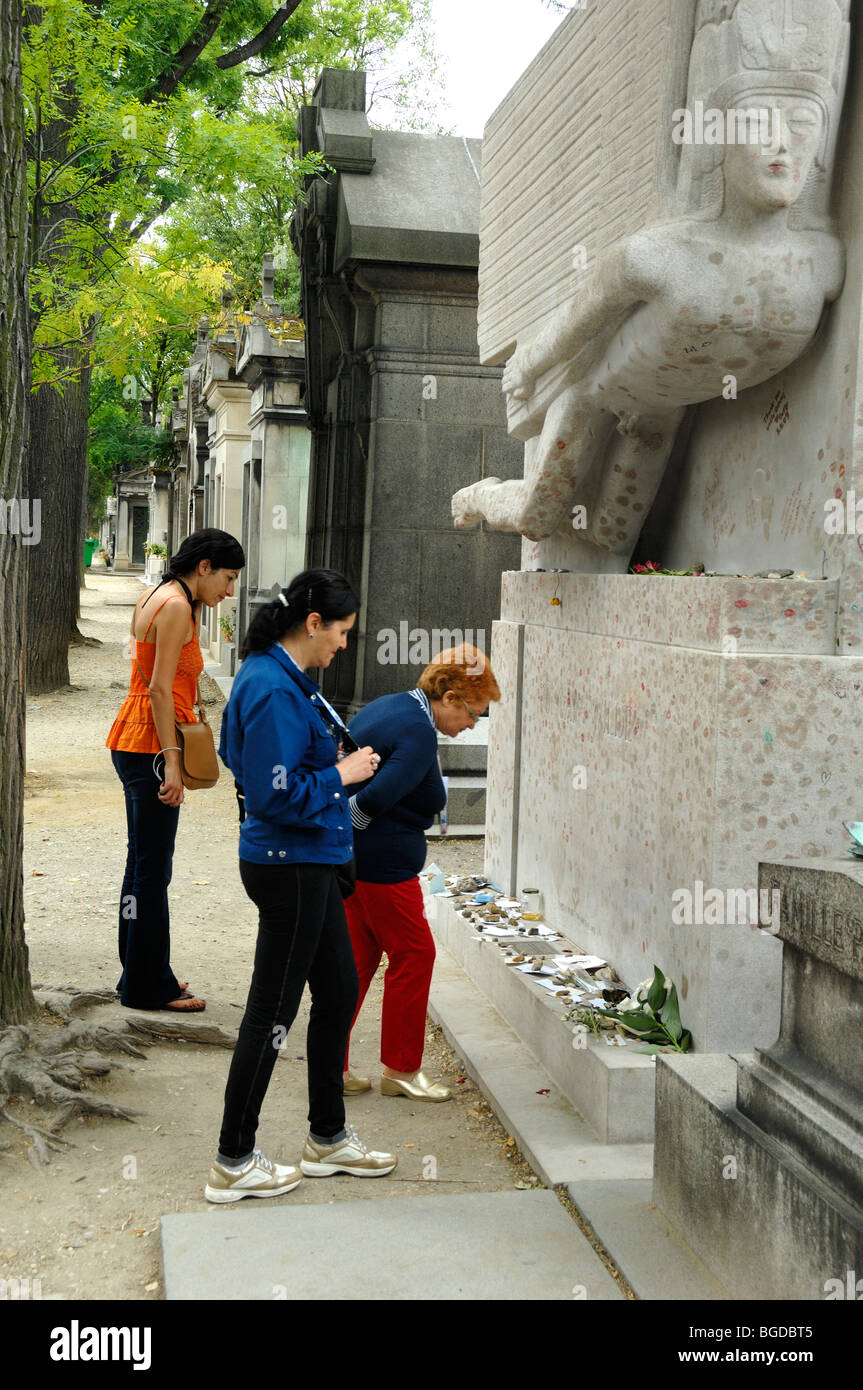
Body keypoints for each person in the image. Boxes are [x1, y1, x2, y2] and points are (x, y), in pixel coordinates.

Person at [205, 570, 398, 1203]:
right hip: (289, 864)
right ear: (313, 625)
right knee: (272, 1012)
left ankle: (327, 1137)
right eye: (341, 633)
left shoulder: (281, 678)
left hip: (308, 860)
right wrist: (342, 774)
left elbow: (251, 765)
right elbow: (271, 791)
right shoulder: (272, 688)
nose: (345, 645)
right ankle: (234, 1158)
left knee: (339, 991)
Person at [343, 644, 501, 1101]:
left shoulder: (393, 706)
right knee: (415, 954)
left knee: (357, 961)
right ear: (449, 697)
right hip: (383, 866)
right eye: (473, 713)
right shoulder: (417, 731)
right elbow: (370, 800)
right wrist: (350, 830)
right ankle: (402, 1068)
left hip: (359, 862)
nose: (472, 724)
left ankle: (333, 1064)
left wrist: (343, 840)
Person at [106, 528, 245, 1012]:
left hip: (134, 736)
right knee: (151, 870)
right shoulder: (177, 606)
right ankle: (147, 987)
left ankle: (138, 974)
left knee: (140, 862)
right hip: (151, 744)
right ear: (203, 566)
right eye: (227, 579)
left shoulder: (155, 595)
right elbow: (161, 689)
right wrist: (170, 760)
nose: (228, 592)